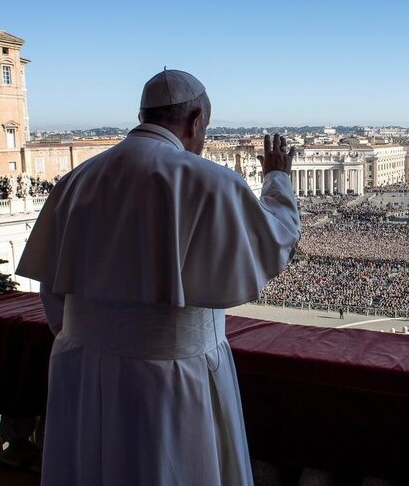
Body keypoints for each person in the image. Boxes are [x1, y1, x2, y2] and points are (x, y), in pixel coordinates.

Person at [16, 69, 301, 486]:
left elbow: (53, 291)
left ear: (143, 115)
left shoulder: (76, 181)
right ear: (196, 120)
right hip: (173, 376)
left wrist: (96, 338)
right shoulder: (209, 180)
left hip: (83, 369)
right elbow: (279, 239)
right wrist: (277, 177)